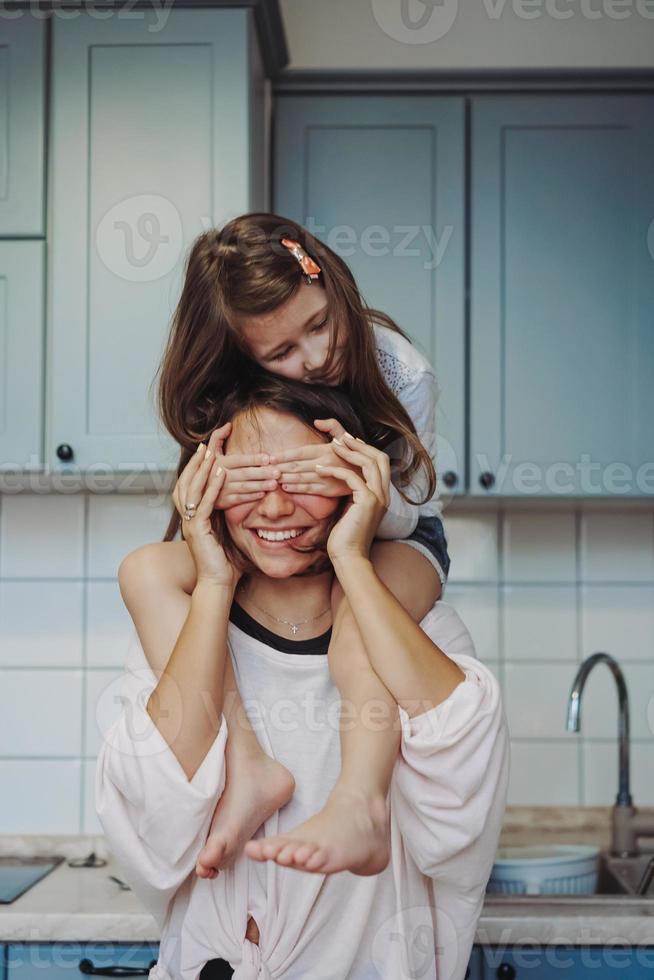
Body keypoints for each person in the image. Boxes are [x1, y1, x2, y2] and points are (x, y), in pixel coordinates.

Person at [96, 377, 510, 980]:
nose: (274, 508)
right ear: (205, 483)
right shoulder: (184, 631)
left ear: (354, 480)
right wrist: (212, 581)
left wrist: (352, 554)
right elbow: (153, 834)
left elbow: (461, 820)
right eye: (247, 481)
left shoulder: (420, 629)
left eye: (305, 479)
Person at [148, 213, 454, 881]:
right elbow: (217, 499)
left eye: (320, 325)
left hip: (399, 530)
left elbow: (409, 500)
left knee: (358, 614)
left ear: (332, 284)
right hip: (294, 542)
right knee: (145, 571)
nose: (315, 358)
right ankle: (248, 766)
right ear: (243, 355)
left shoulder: (402, 370)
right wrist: (230, 488)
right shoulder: (228, 387)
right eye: (282, 354)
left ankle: (360, 806)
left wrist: (353, 488)